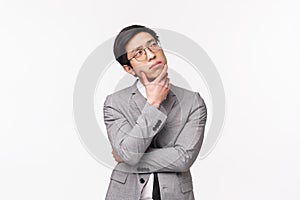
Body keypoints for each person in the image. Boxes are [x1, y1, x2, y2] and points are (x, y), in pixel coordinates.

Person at [103, 25, 207, 200]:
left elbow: (184, 159)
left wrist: (129, 157)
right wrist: (153, 103)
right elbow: (129, 153)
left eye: (153, 45)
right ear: (128, 69)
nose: (151, 54)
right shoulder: (114, 103)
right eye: (139, 53)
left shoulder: (192, 102)